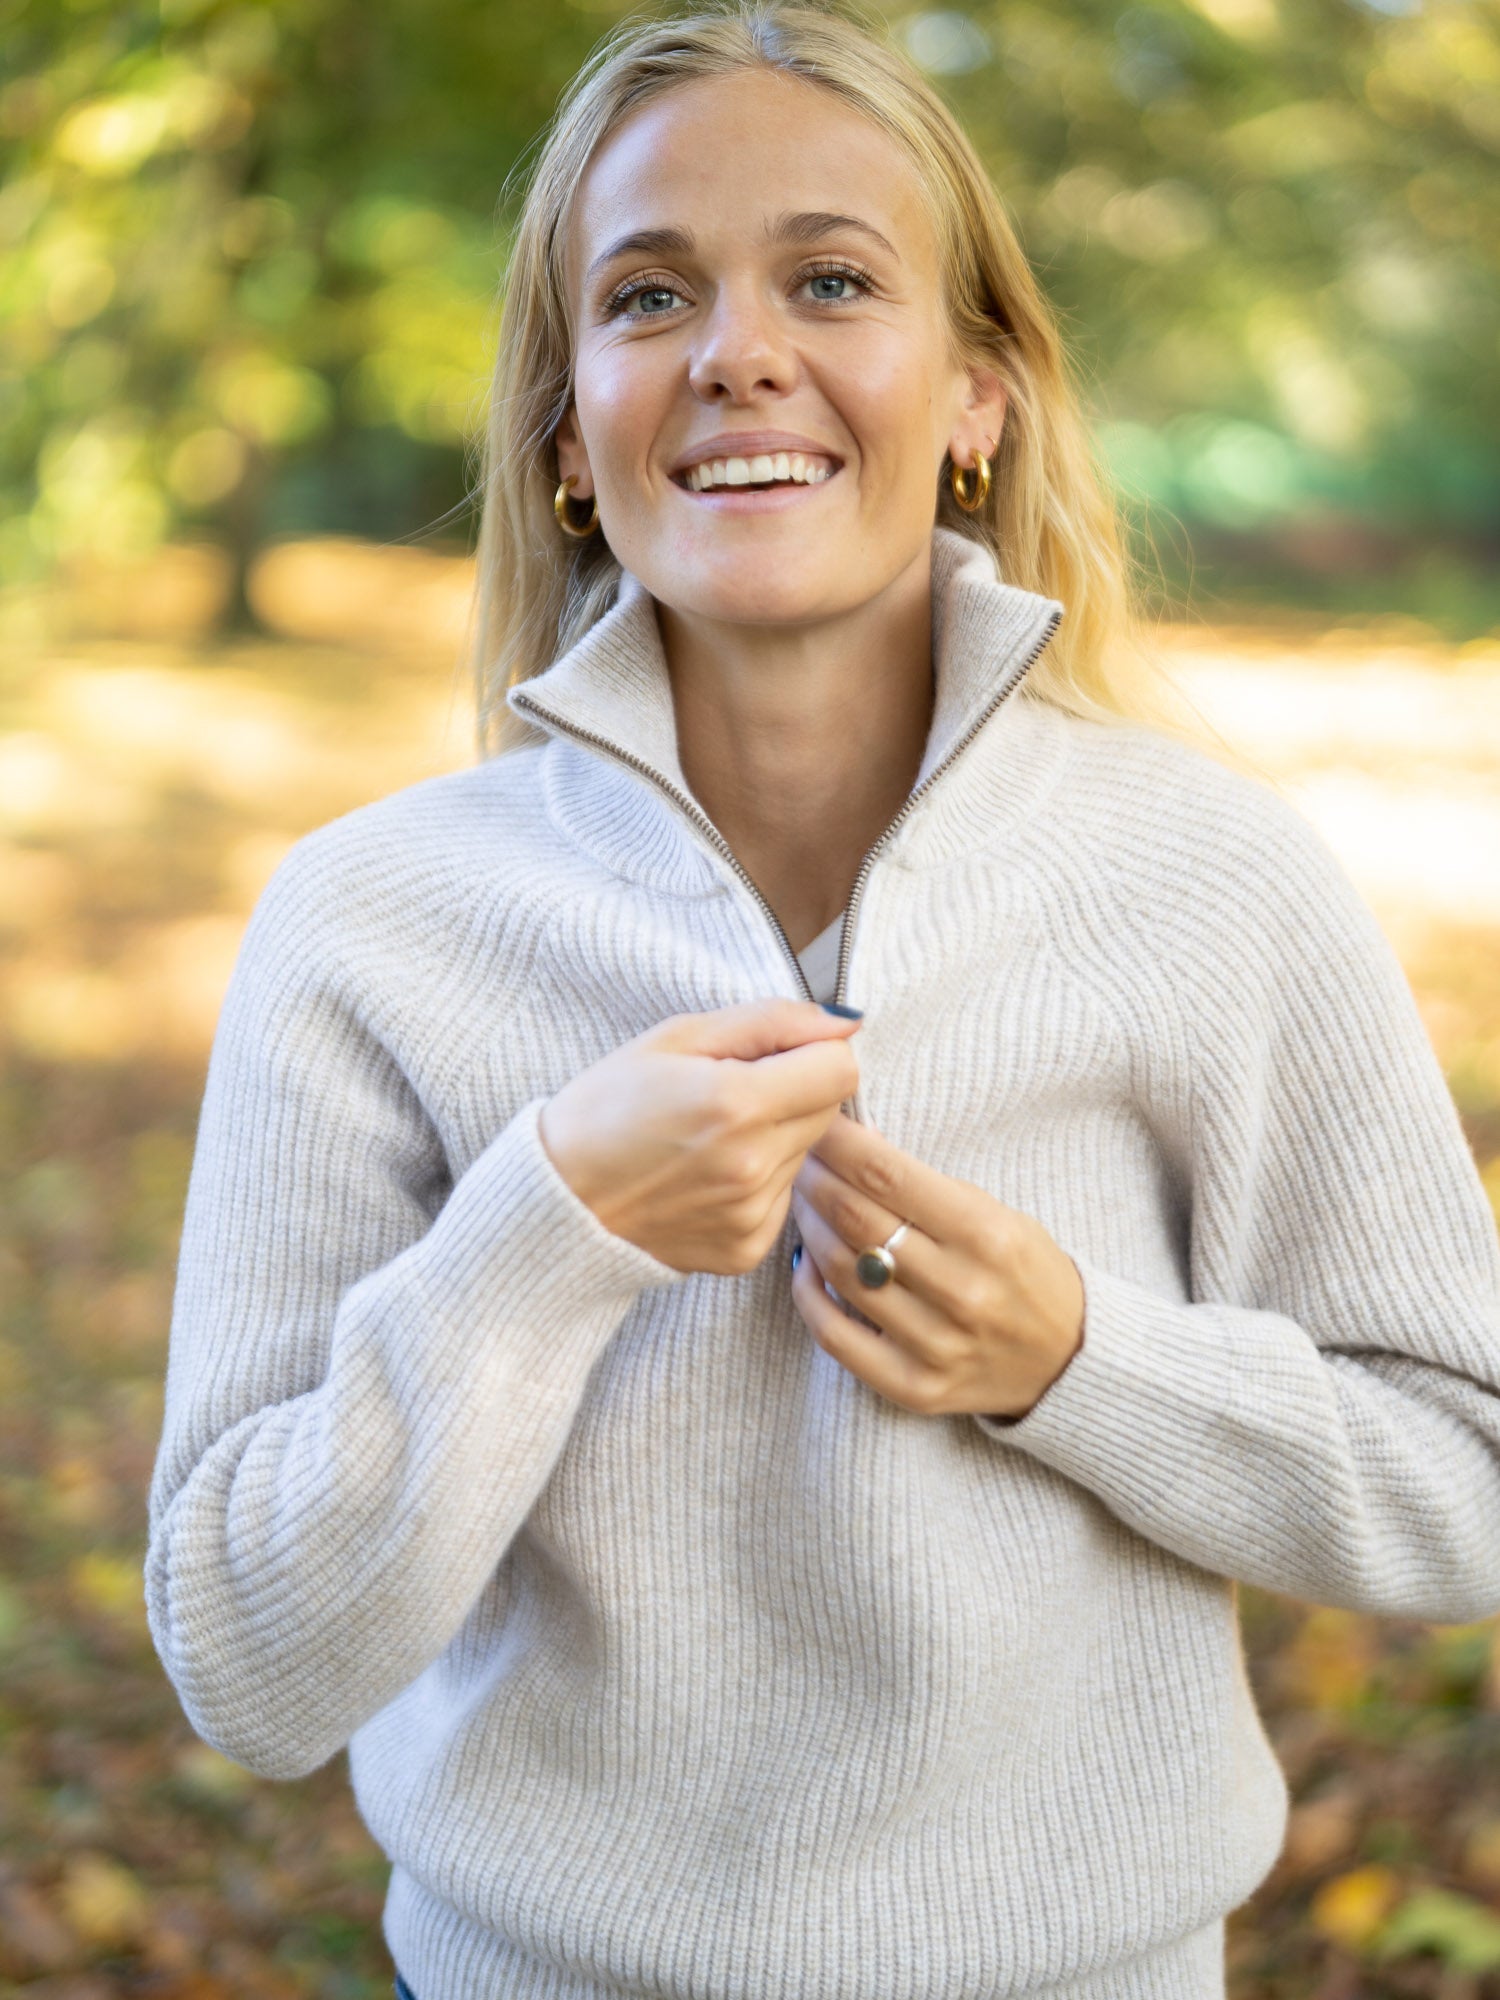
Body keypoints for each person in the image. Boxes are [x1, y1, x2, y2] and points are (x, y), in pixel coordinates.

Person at [145, 4, 1500, 1997]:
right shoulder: (371, 926)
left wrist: (1078, 1362)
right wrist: (548, 1233)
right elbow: (247, 1662)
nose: (739, 349)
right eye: (649, 292)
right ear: (568, 433)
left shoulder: (1214, 884)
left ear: (979, 395)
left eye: (833, 277)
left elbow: (1465, 1479)